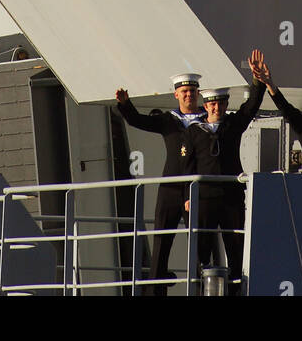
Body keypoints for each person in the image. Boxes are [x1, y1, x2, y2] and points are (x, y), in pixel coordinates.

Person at [114, 73, 206, 296]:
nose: (188, 96)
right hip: (171, 190)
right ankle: (155, 292)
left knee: (202, 243)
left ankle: (205, 289)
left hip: (197, 189)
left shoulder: (206, 120)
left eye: (192, 92)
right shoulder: (168, 120)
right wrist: (125, 104)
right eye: (184, 92)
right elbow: (138, 121)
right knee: (161, 243)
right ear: (176, 95)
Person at [184, 49, 267, 294]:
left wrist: (257, 81)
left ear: (225, 104)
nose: (216, 107)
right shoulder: (194, 131)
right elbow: (187, 165)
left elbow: (251, 106)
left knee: (235, 246)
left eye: (220, 103)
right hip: (206, 197)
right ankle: (200, 289)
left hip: (230, 196)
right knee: (202, 248)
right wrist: (187, 196)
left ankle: (236, 290)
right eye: (212, 104)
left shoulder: (232, 126)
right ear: (205, 105)